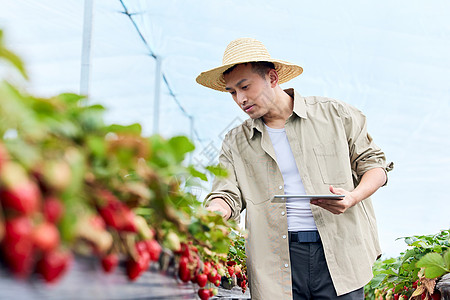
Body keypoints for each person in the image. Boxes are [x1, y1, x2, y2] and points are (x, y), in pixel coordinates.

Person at [195, 38, 393, 300]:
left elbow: (376, 166)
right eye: (232, 92)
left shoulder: (335, 115)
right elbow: (226, 193)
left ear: (273, 78)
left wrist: (353, 197)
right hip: (275, 259)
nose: (240, 99)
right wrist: (214, 214)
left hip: (339, 251)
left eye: (245, 86)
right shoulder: (236, 141)